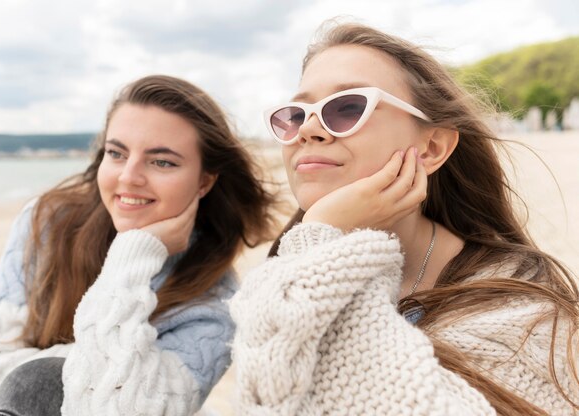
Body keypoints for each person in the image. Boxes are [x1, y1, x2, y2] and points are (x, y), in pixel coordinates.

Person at [230, 21, 579, 415]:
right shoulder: (283, 268)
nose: (308, 129)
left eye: (347, 108)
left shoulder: (519, 305)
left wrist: (321, 240)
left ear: (431, 147)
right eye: (294, 115)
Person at [0, 75, 277, 416]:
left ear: (204, 181)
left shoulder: (215, 305)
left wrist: (135, 255)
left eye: (162, 161)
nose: (128, 177)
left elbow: (120, 409)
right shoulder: (47, 224)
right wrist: (112, 368)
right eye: (116, 153)